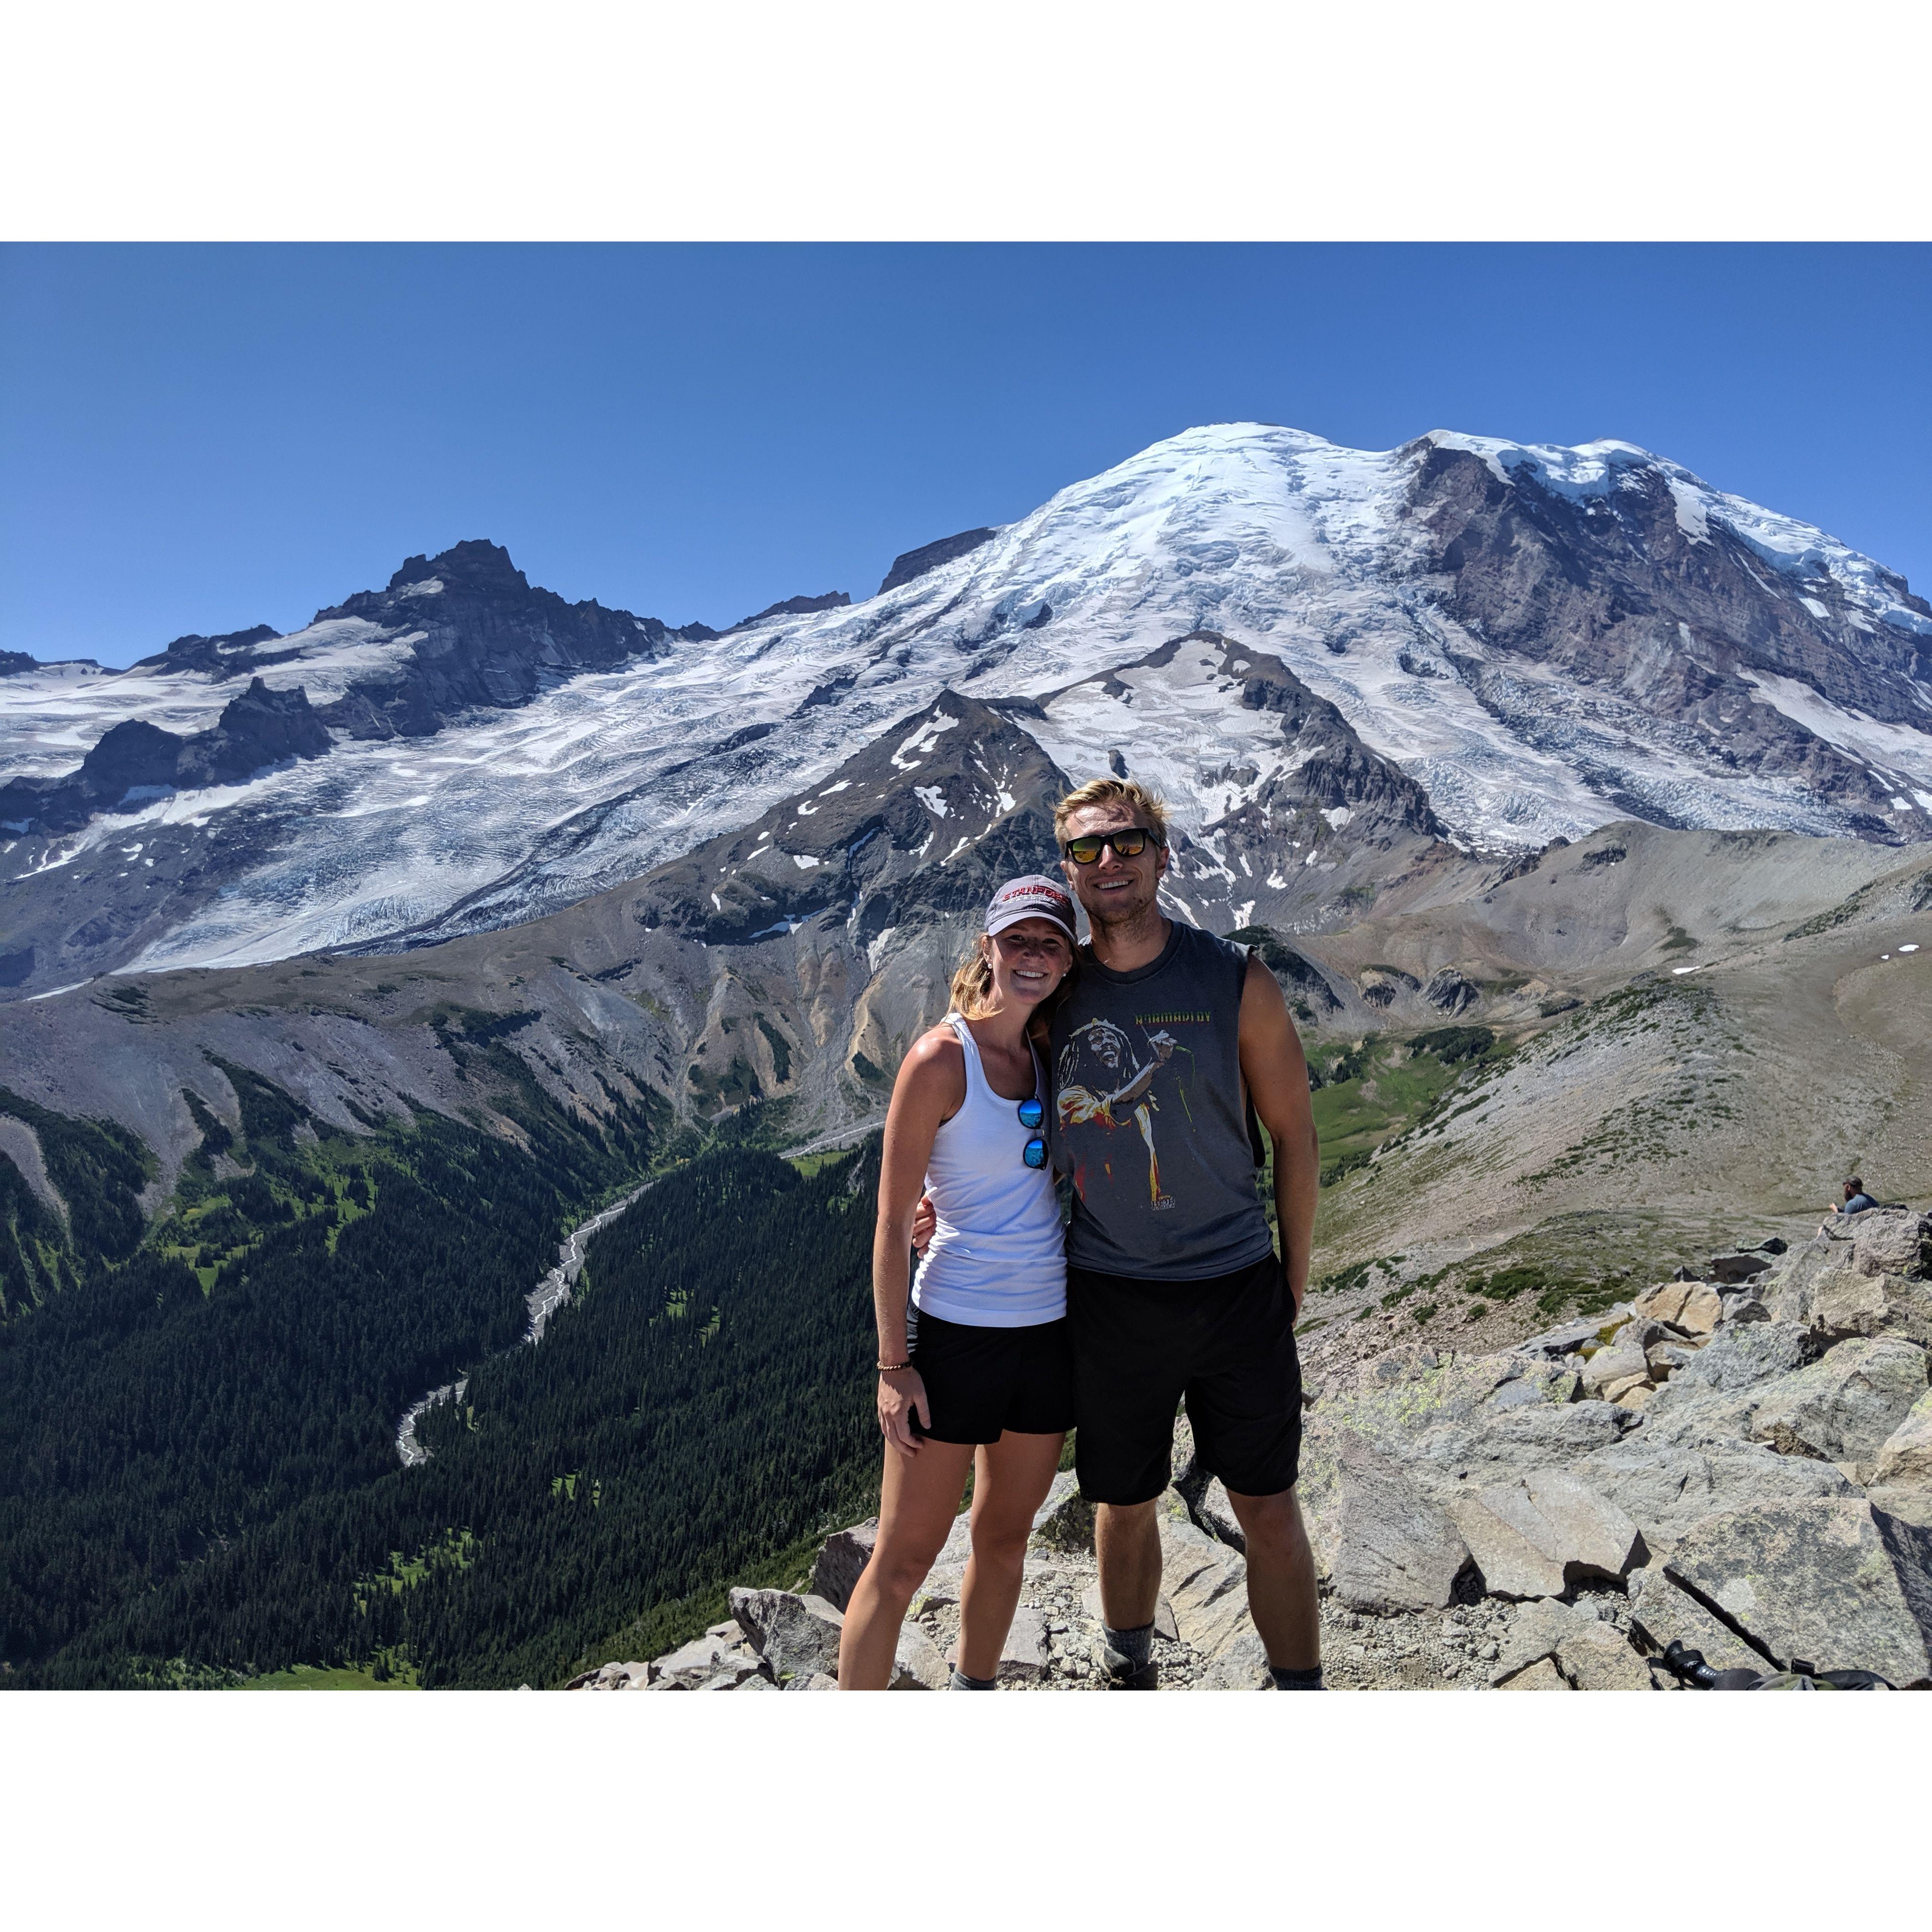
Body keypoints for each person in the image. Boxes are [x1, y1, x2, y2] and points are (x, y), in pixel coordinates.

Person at [1049, 777, 1322, 1690]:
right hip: (1110, 1292)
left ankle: (1302, 1691)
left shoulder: (1235, 978)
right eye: (1088, 849)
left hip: (1234, 1286)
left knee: (1268, 1507)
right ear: (1068, 870)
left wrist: (1292, 1277)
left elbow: (1294, 1133)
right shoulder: (1052, 987)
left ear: (1163, 858)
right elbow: (986, 1092)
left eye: (1128, 842)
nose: (1109, 861)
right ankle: (1129, 1672)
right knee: (1124, 1503)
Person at [836, 876, 1081, 1690]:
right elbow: (890, 1221)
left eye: (1050, 943)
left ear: (1067, 959)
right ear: (988, 948)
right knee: (903, 1562)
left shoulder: (1050, 1055)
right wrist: (892, 1364)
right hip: (953, 1337)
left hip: (1047, 1333)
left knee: (1004, 1539)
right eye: (1018, 941)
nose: (1033, 956)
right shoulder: (940, 1059)